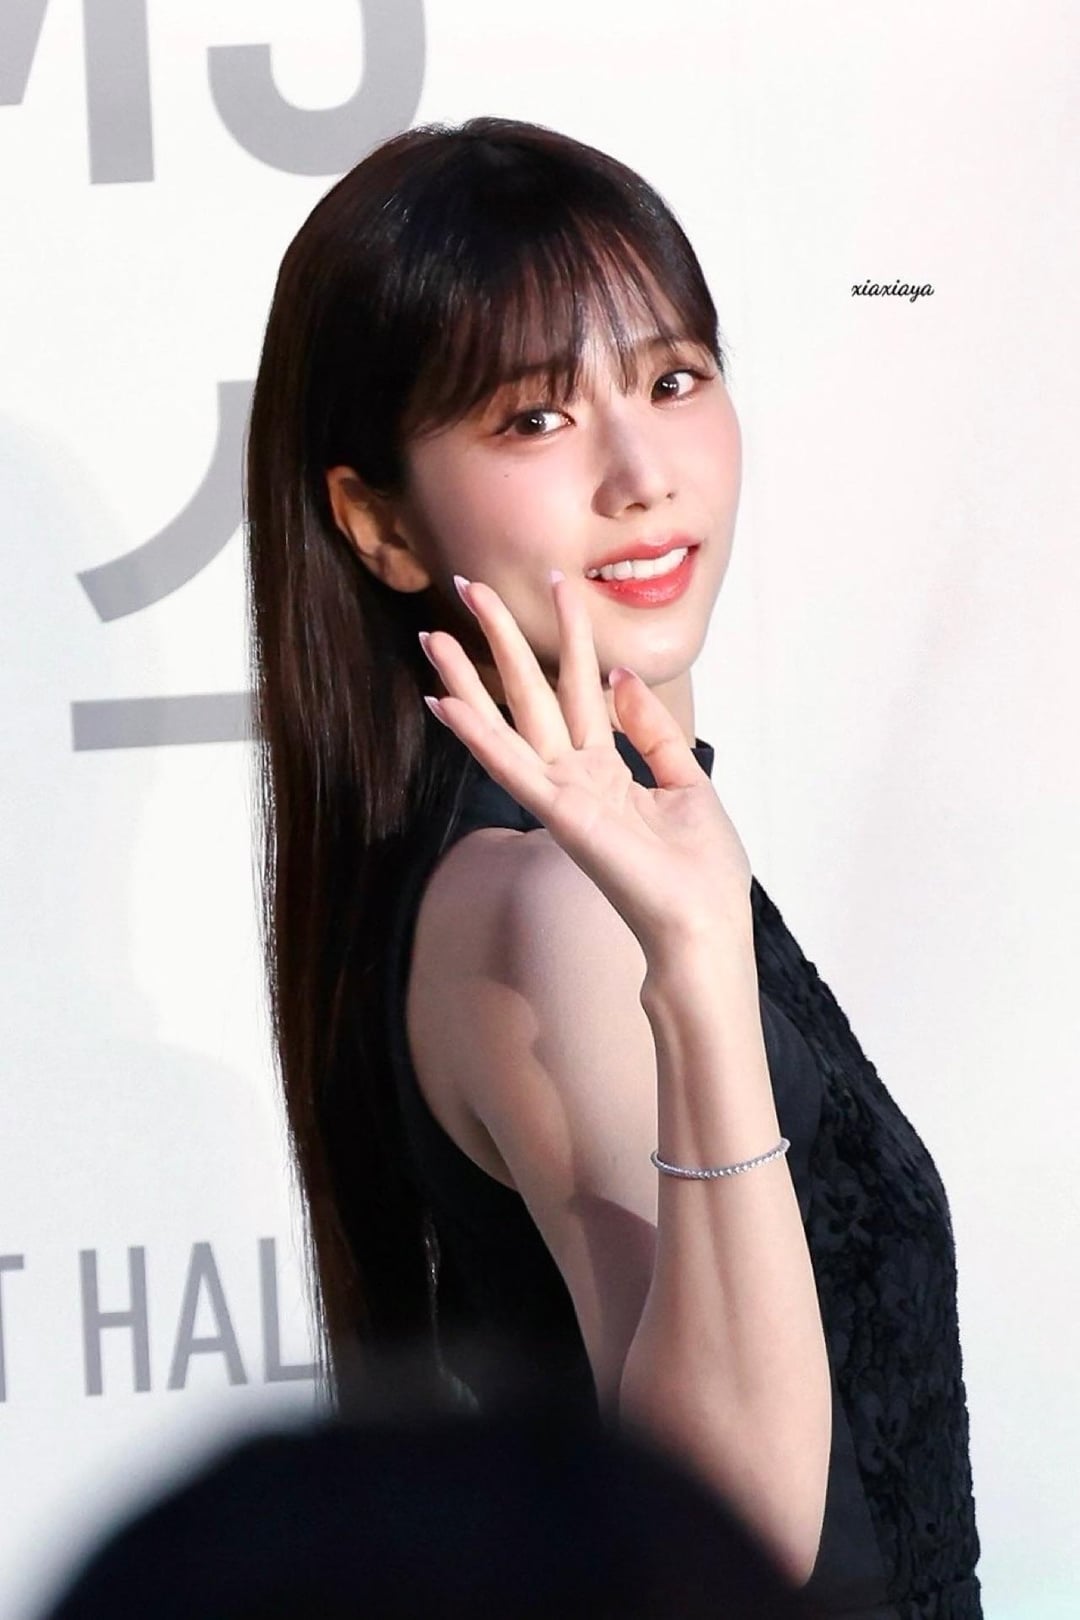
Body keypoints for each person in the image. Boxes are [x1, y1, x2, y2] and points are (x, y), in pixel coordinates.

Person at [243, 116, 983, 1617]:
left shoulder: (566, 866)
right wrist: (697, 969)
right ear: (378, 525)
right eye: (534, 418)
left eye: (673, 379)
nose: (641, 474)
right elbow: (721, 1538)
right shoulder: (557, 908)